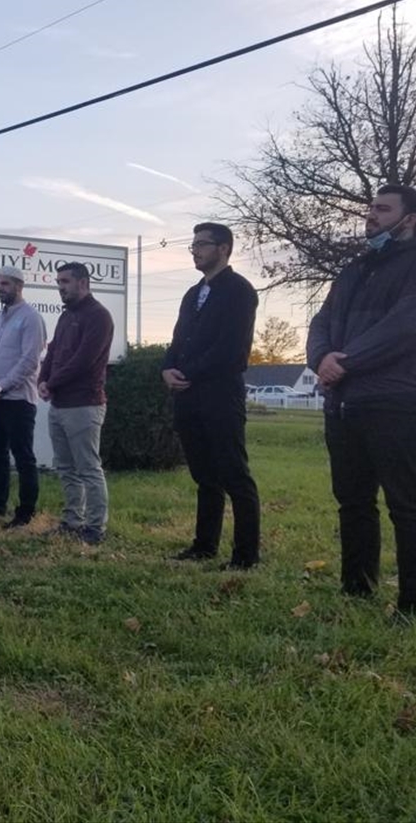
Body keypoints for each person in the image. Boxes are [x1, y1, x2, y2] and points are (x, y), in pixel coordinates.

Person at [307, 184, 416, 617]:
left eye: (383, 209)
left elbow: (408, 326)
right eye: (370, 207)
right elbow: (322, 320)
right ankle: (357, 588)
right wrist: (320, 358)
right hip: (348, 402)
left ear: (410, 219)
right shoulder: (354, 269)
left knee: (407, 505)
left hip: (404, 403)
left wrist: (344, 362)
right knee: (352, 502)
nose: (371, 215)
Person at [163, 222, 261, 569]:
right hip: (188, 398)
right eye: (193, 246)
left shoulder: (239, 291)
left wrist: (189, 372)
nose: (196, 251)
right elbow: (177, 340)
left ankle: (246, 555)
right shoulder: (193, 294)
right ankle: (204, 545)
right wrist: (167, 368)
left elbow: (233, 350)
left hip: (220, 395)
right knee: (204, 475)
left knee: (234, 474)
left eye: (202, 245)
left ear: (224, 249)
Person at [38, 262, 114, 543]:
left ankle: (95, 527)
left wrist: (51, 382)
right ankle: (72, 521)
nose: (60, 287)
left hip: (84, 404)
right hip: (60, 404)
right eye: (58, 282)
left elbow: (84, 360)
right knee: (66, 468)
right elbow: (54, 350)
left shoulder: (99, 316)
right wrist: (42, 380)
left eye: (65, 281)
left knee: (88, 468)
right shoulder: (66, 315)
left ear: (83, 282)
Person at [0, 265, 47, 529]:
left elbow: (30, 360)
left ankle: (26, 510)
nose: (0, 289)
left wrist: (2, 386)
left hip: (17, 399)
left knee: (23, 455)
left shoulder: (31, 317)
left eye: (5, 284)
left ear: (19, 286)